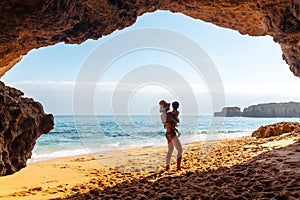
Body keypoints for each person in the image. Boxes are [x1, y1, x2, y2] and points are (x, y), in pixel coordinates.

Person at [159, 100, 183, 171]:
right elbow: (177, 120)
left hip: (167, 133)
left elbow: (168, 124)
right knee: (180, 150)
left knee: (170, 150)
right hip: (172, 134)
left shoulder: (165, 115)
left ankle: (167, 167)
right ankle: (178, 168)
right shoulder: (172, 114)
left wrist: (175, 128)